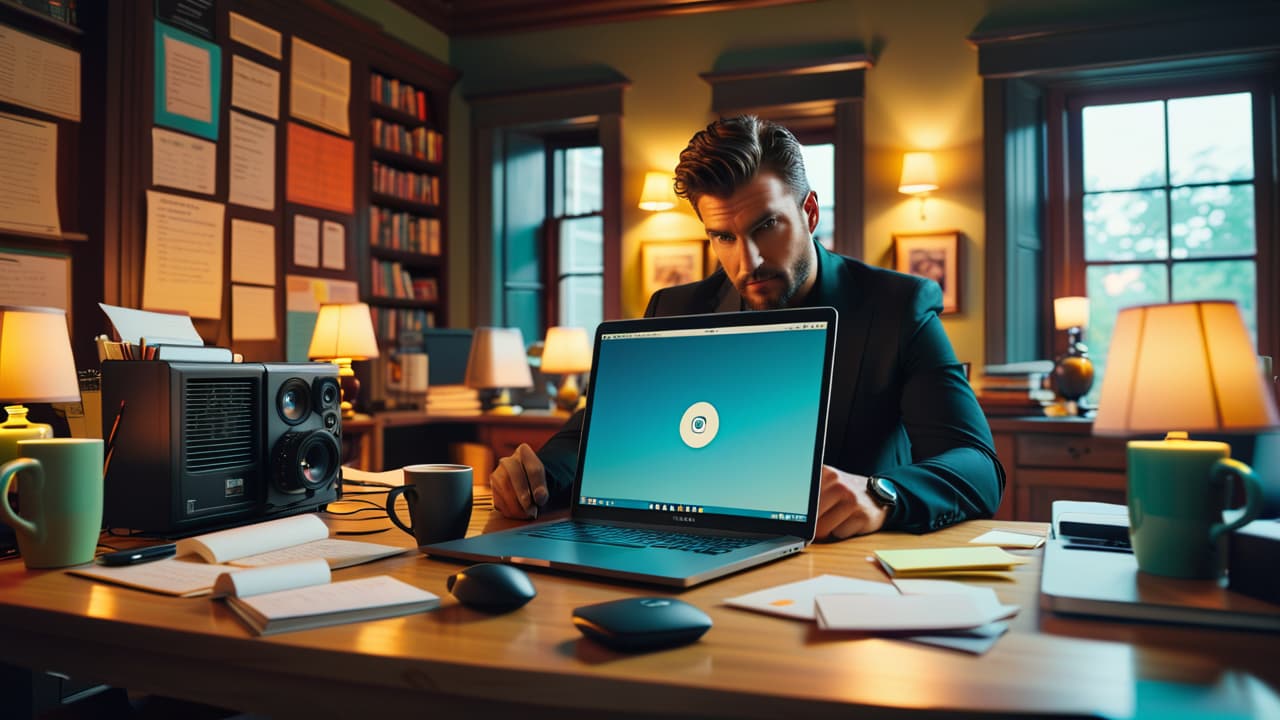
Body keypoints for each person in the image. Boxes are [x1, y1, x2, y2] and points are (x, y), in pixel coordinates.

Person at [489, 115, 1004, 539]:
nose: (748, 260)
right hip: (687, 551)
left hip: (840, 572)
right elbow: (593, 436)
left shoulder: (898, 308)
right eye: (724, 237)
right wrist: (535, 477)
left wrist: (882, 495)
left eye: (765, 227)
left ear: (809, 211)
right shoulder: (674, 310)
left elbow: (978, 467)